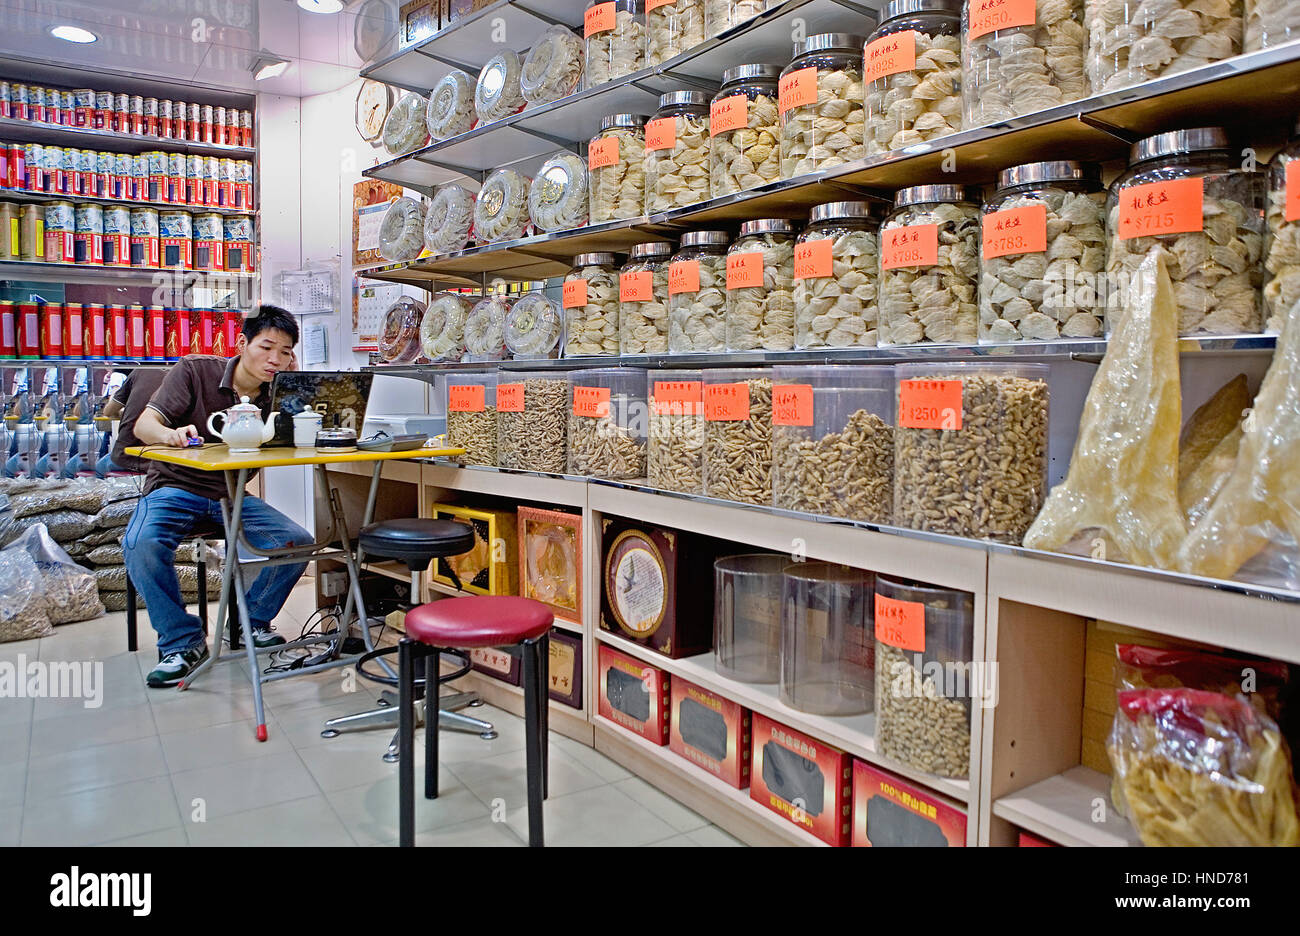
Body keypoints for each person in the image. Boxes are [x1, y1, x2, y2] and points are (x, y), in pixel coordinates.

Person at [124, 306, 311, 688]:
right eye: (267, 347)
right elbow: (144, 425)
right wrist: (170, 435)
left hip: (231, 496)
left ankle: (248, 623)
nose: (276, 359)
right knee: (139, 542)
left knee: (296, 542)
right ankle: (182, 642)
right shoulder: (196, 370)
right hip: (174, 488)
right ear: (242, 343)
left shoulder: (281, 393)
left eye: (286, 351)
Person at [103, 367, 168, 473]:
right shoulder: (181, 378)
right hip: (161, 463)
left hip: (125, 458)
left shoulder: (139, 371)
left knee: (99, 469)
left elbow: (108, 411)